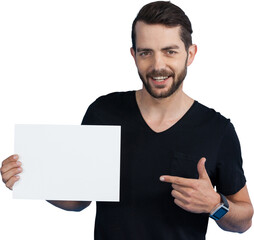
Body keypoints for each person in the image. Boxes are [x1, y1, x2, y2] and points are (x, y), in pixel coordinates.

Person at [1, 1, 253, 239]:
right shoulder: (103, 113)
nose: (158, 65)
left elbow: (245, 220)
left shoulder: (218, 130)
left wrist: (215, 205)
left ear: (190, 54)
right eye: (146, 53)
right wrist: (31, 181)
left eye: (170, 51)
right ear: (134, 55)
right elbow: (79, 200)